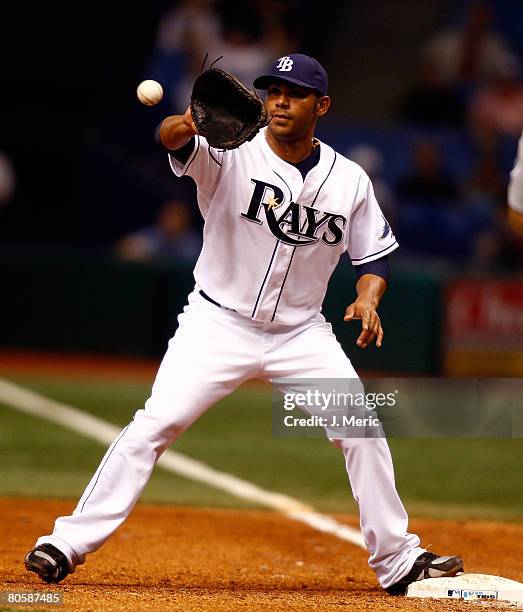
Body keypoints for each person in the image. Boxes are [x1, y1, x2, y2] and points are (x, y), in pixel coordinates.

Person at [24, 54, 464, 595]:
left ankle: (398, 559)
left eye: (294, 93)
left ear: (320, 106)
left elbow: (373, 258)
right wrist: (188, 121)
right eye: (273, 90)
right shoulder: (230, 155)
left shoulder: (349, 180)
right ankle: (65, 543)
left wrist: (368, 298)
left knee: (362, 430)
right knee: (154, 424)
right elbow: (170, 139)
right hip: (217, 324)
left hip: (302, 335)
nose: (279, 100)